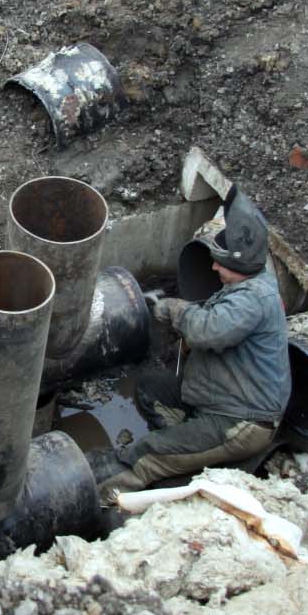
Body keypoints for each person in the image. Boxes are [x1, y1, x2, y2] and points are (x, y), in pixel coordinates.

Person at [100, 187, 291, 497]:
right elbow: (215, 320)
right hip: (216, 396)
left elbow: (208, 331)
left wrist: (175, 309)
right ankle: (189, 445)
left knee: (148, 453)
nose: (213, 267)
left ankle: (114, 497)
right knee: (150, 388)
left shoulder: (254, 298)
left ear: (239, 266)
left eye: (220, 262)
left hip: (241, 421)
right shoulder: (251, 283)